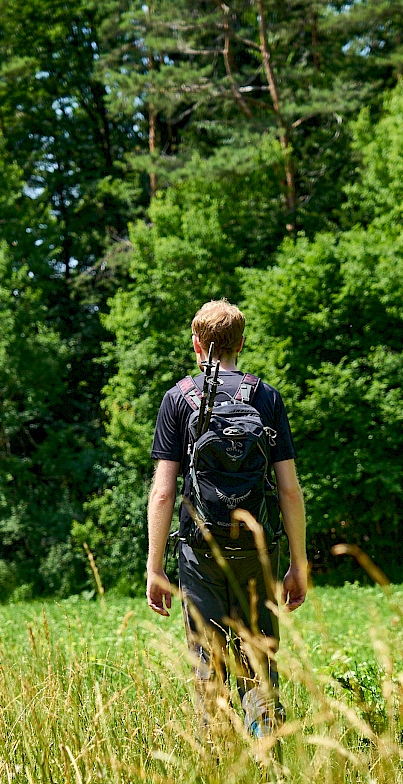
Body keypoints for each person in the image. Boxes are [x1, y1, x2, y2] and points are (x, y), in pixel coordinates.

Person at [145, 299, 309, 738]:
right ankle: (267, 765)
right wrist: (297, 563)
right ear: (241, 343)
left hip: (199, 549)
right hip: (257, 549)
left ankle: (218, 774)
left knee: (207, 665)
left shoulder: (178, 399)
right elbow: (290, 489)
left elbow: (163, 491)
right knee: (258, 663)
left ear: (197, 344)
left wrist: (155, 566)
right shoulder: (266, 397)